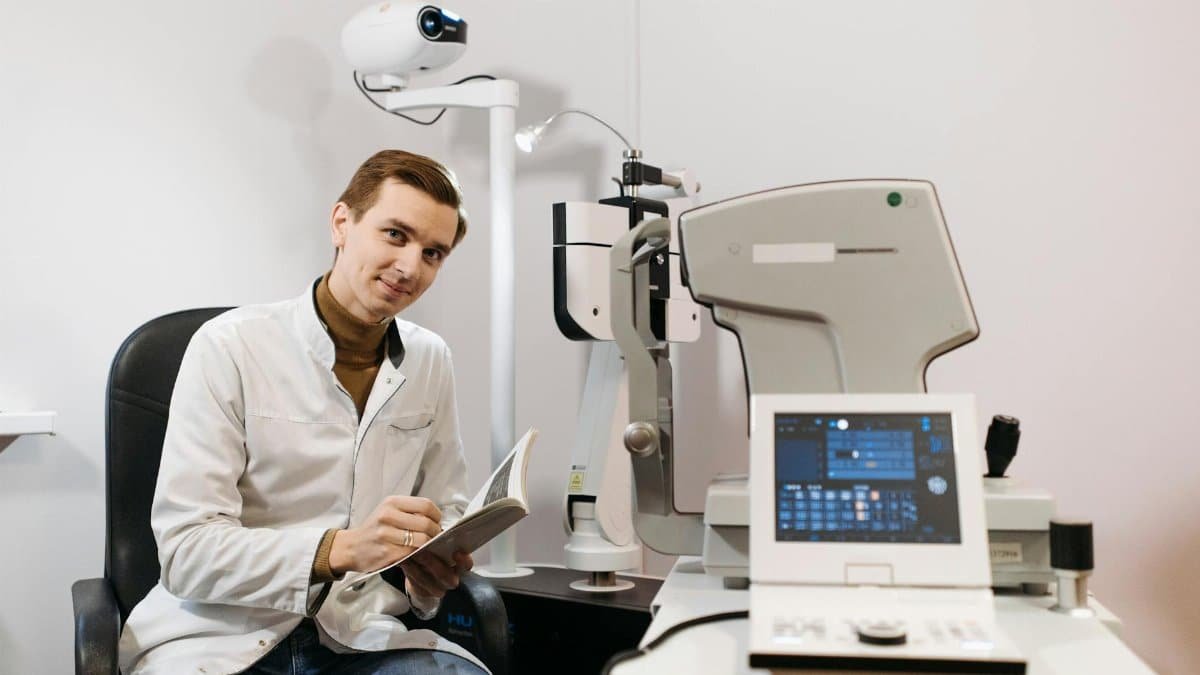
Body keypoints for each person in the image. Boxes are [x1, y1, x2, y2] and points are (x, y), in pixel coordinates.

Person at [118, 150, 488, 675]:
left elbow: (445, 507)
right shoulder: (230, 346)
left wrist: (430, 570)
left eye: (433, 253)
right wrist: (338, 549)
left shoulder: (431, 360)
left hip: (360, 638)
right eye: (395, 235)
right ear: (343, 223)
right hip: (222, 639)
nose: (410, 267)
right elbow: (187, 551)